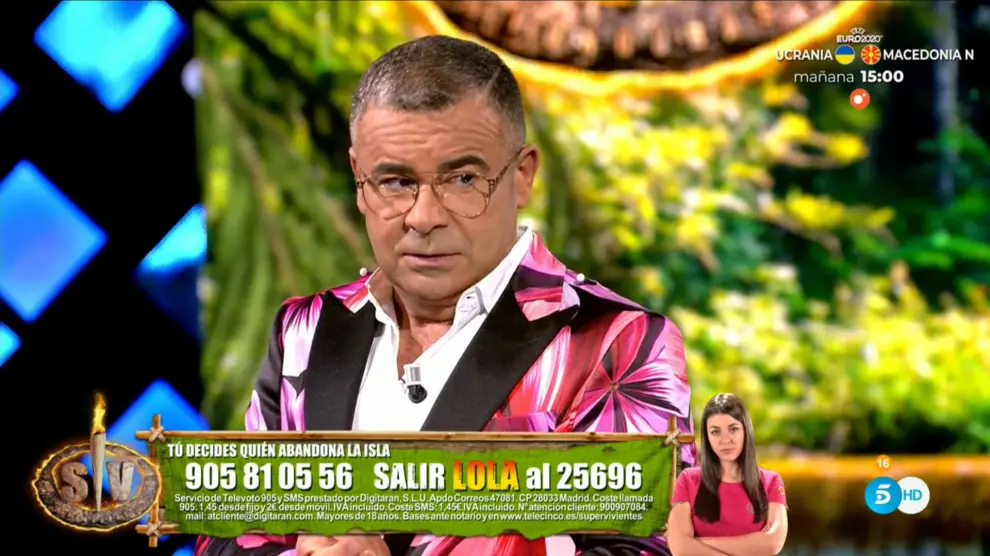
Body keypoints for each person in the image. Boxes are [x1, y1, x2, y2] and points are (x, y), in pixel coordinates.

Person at [195, 34, 695, 556]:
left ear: (522, 176)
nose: (424, 217)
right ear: (359, 180)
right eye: (395, 182)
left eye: (462, 179)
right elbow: (227, 536)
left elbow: (646, 549)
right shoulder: (306, 327)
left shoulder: (619, 342)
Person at [666, 394, 788, 556]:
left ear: (746, 431)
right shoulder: (688, 480)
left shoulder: (771, 481)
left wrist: (696, 543)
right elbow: (680, 548)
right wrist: (754, 545)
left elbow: (773, 543)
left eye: (733, 429)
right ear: (707, 436)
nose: (725, 440)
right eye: (715, 432)